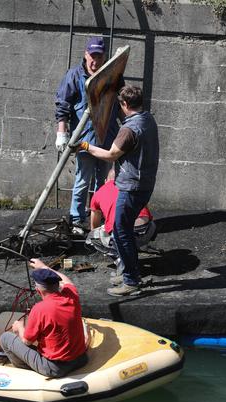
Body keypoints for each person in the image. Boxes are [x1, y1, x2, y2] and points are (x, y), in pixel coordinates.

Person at [79, 85, 159, 297]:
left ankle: (131, 281)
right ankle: (127, 273)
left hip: (131, 186)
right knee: (123, 231)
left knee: (121, 231)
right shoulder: (148, 119)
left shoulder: (129, 129)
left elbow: (110, 155)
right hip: (144, 184)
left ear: (124, 105)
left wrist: (86, 146)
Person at [55, 36, 121, 235]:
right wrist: (62, 132)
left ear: (104, 57)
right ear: (85, 54)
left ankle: (100, 219)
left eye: (98, 57)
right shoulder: (74, 75)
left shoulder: (112, 75)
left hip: (108, 139)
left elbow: (121, 102)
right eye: (91, 56)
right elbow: (63, 104)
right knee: (82, 180)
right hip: (84, 138)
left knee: (104, 183)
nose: (94, 61)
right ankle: (76, 220)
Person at [0, 259, 89, 378]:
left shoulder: (39, 309)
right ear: (58, 285)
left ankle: (26, 371)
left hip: (55, 367)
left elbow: (27, 341)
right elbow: (67, 281)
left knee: (5, 338)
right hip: (80, 359)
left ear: (38, 290)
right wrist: (44, 267)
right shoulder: (72, 295)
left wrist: (19, 328)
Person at [87, 166, 156, 265]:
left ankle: (120, 259)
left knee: (92, 236)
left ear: (106, 180)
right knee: (147, 223)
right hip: (148, 231)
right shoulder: (132, 187)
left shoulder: (99, 192)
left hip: (123, 235)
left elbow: (94, 225)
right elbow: (147, 212)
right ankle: (139, 246)